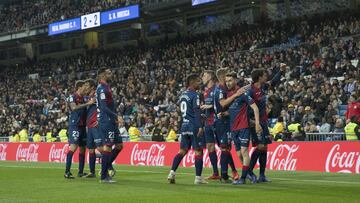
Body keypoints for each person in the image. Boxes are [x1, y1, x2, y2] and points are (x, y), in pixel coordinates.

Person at [247, 64, 286, 183]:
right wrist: (252, 121)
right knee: (260, 146)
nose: (266, 77)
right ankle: (248, 171)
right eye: (264, 75)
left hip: (264, 121)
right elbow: (246, 107)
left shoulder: (263, 87)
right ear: (259, 77)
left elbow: (273, 82)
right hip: (255, 122)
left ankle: (262, 175)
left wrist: (281, 71)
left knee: (264, 148)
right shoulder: (250, 90)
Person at [167, 74, 207, 184]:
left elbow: (182, 111)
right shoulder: (196, 95)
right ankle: (198, 178)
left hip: (184, 125)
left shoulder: (182, 95)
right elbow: (196, 111)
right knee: (198, 151)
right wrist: (200, 126)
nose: (200, 83)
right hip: (194, 125)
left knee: (182, 151)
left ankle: (172, 173)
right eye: (198, 81)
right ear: (192, 82)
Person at [225, 72, 262, 185]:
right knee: (239, 155)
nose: (228, 83)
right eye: (226, 81)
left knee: (244, 152)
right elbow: (232, 110)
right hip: (233, 128)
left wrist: (257, 124)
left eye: (230, 80)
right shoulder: (228, 95)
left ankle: (243, 178)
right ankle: (251, 174)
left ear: (235, 80)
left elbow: (255, 108)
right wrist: (224, 114)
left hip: (243, 127)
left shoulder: (243, 94)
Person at [213, 68, 246, 182]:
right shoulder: (221, 90)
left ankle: (230, 173)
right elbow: (223, 103)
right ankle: (224, 175)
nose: (228, 81)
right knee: (225, 148)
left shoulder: (218, 89)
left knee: (225, 148)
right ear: (223, 78)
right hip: (223, 122)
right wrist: (236, 95)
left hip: (220, 121)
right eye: (226, 77)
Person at [97, 68, 124, 183]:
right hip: (106, 120)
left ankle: (106, 165)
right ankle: (104, 176)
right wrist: (116, 116)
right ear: (102, 75)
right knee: (107, 146)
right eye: (108, 73)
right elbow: (103, 107)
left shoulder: (106, 86)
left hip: (111, 120)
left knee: (119, 146)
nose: (111, 74)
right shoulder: (102, 89)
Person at [64, 80, 94, 179]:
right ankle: (67, 172)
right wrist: (87, 104)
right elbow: (73, 108)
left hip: (82, 126)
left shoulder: (84, 98)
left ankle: (80, 172)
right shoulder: (72, 97)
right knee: (73, 147)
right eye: (84, 87)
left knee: (82, 149)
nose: (85, 88)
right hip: (75, 125)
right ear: (79, 87)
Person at [200, 70, 220, 180]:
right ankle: (215, 173)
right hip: (208, 123)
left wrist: (210, 106)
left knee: (223, 147)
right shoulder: (205, 92)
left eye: (205, 75)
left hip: (217, 122)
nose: (203, 77)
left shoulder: (217, 90)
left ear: (211, 77)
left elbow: (221, 104)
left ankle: (233, 171)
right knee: (210, 146)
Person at [84, 79, 102, 178]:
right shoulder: (88, 97)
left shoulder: (96, 95)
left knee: (100, 148)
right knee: (91, 149)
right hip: (89, 126)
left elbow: (102, 108)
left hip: (96, 125)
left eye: (87, 86)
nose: (85, 88)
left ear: (91, 87)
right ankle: (92, 172)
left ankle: (109, 167)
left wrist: (99, 120)